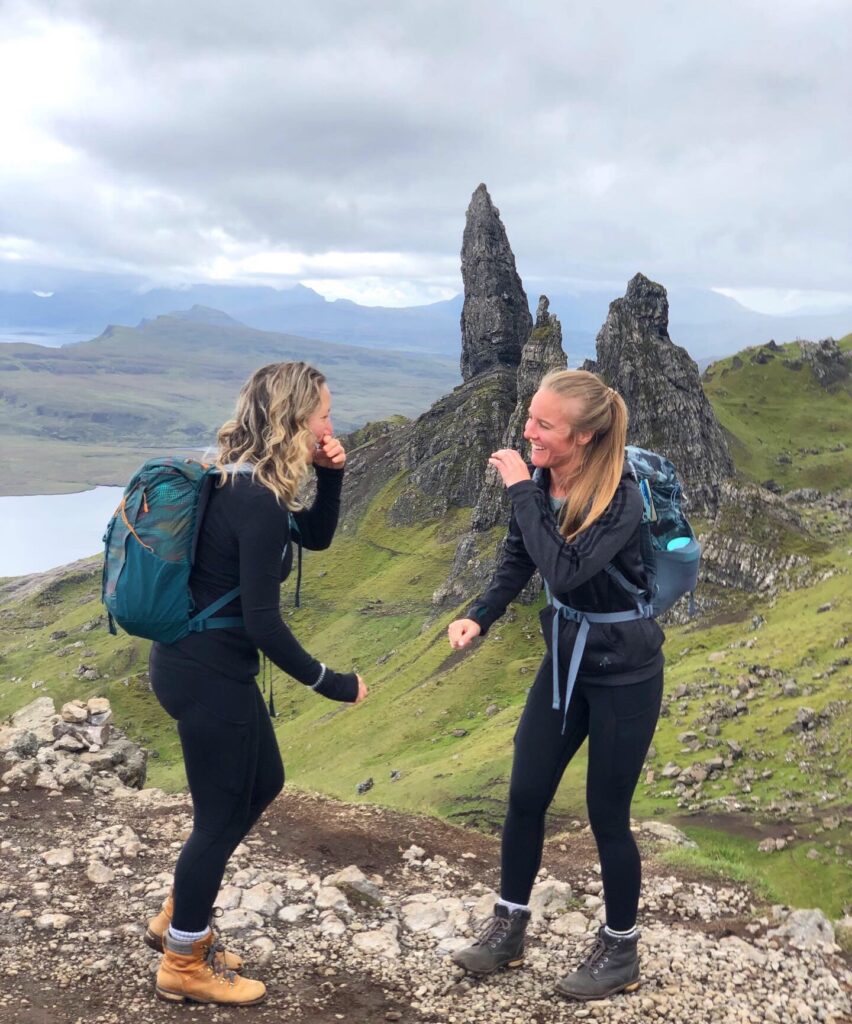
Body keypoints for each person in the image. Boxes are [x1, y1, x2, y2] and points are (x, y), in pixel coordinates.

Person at [146, 361, 367, 1006]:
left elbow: (318, 538)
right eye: (323, 413)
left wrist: (333, 476)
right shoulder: (258, 502)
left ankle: (179, 909)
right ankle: (183, 959)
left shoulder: (235, 480)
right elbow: (267, 626)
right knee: (215, 823)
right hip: (210, 675)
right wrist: (333, 683)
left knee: (263, 782)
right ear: (294, 419)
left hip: (197, 665)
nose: (331, 423)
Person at [447, 369, 664, 1001]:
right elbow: (521, 556)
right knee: (524, 794)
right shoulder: (545, 478)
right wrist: (479, 615)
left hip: (625, 673)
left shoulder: (619, 496)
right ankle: (509, 925)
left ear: (586, 436)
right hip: (565, 658)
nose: (528, 432)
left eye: (544, 425)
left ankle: (621, 948)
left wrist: (519, 488)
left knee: (607, 815)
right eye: (530, 419)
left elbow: (565, 572)